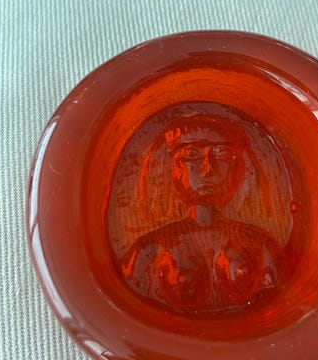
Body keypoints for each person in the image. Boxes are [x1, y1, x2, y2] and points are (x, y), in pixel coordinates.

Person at [120, 115, 286, 314]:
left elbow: (280, 304)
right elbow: (130, 310)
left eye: (223, 153)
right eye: (191, 154)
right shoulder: (148, 251)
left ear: (241, 168)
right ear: (171, 167)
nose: (208, 169)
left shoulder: (261, 246)